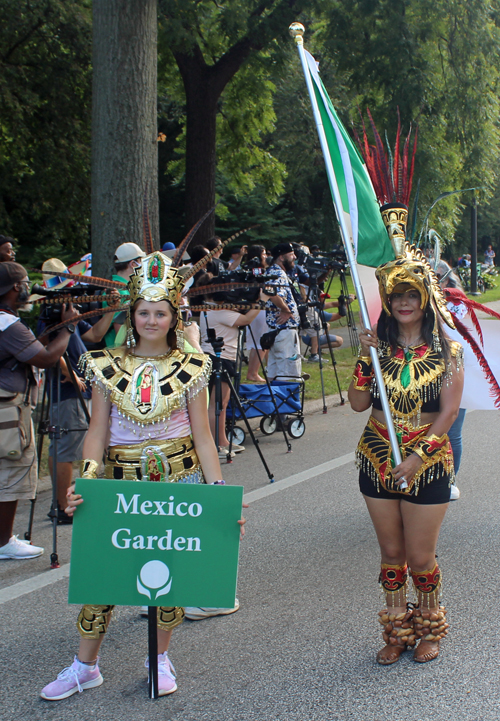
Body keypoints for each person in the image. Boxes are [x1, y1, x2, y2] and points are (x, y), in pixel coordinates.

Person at [40, 249, 245, 700]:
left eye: (161, 312)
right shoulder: (103, 365)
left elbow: (204, 438)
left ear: (174, 317)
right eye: (144, 312)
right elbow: (96, 431)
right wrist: (86, 479)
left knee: (166, 573)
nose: (152, 320)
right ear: (131, 315)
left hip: (178, 480)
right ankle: (84, 665)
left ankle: (159, 658)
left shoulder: (194, 366)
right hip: (118, 483)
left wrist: (217, 494)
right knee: (104, 573)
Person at [349, 245, 463, 665]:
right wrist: (364, 355)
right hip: (376, 454)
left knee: (420, 556)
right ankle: (397, 631)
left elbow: (449, 412)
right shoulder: (376, 349)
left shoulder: (448, 350)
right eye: (396, 297)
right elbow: (359, 404)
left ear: (425, 300)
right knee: (391, 555)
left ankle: (430, 626)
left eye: (411, 295)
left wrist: (416, 456)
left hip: (428, 462)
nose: (403, 303)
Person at [0, 262, 77, 560]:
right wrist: (68, 329)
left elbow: (29, 348)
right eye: (23, 285)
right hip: (9, 411)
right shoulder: (7, 324)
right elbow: (44, 358)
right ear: (14, 288)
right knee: (12, 470)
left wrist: (55, 330)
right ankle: (5, 541)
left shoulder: (7, 323)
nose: (26, 290)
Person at [38, 258, 120, 522]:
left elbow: (94, 336)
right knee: (64, 447)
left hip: (81, 388)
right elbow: (44, 346)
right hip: (67, 389)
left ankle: (65, 501)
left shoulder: (69, 312)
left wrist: (110, 310)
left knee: (74, 445)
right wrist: (68, 372)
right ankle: (61, 506)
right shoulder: (49, 312)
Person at [197, 272, 269, 456]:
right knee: (217, 403)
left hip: (219, 358)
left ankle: (222, 440)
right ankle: (216, 444)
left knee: (221, 402)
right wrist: (261, 301)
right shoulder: (220, 312)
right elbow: (246, 320)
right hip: (220, 358)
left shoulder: (209, 309)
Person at [265, 243, 302, 381]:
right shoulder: (278, 273)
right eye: (291, 254)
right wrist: (286, 311)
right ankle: (284, 400)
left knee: (275, 371)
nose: (295, 257)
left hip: (277, 330)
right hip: (284, 329)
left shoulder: (272, 271)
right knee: (287, 372)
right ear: (281, 257)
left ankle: (274, 399)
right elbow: (273, 293)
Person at [103, 241, 145, 347]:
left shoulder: (127, 289)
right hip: (120, 352)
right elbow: (121, 330)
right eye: (141, 261)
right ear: (133, 264)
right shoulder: (115, 292)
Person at [245, 245, 270, 382]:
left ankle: (253, 371)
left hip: (253, 307)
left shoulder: (247, 269)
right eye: (264, 253)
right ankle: (253, 372)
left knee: (257, 342)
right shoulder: (258, 272)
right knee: (262, 342)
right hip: (259, 306)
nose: (265, 256)